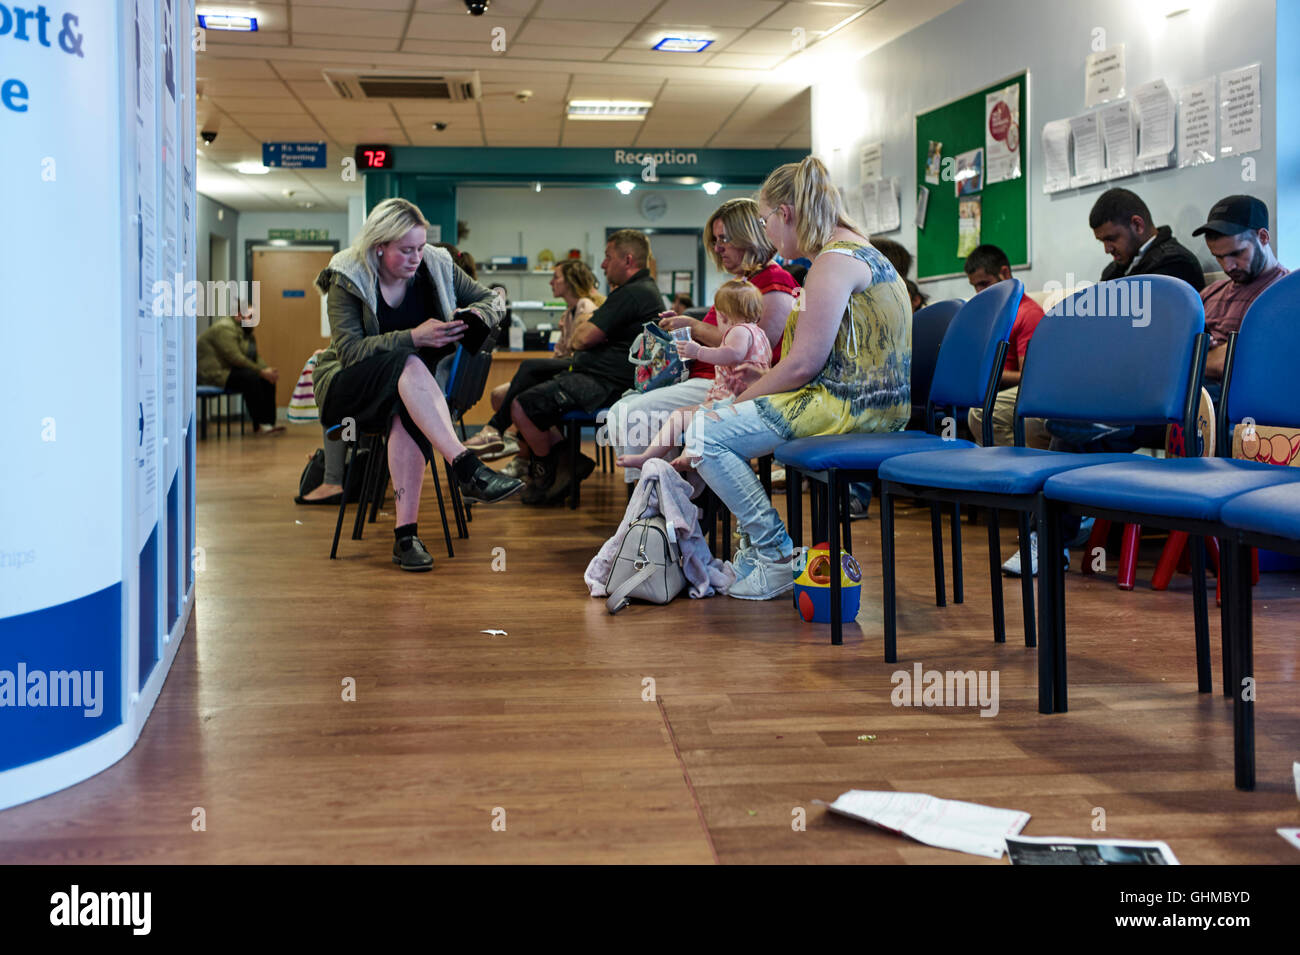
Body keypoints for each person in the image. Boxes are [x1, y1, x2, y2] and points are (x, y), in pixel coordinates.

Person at [686, 156, 911, 600]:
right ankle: (759, 550)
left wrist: (738, 400)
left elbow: (804, 365)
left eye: (765, 220)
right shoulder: (855, 253)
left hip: (848, 407)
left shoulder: (833, 262)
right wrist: (756, 385)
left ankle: (774, 556)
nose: (766, 232)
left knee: (705, 433)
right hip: (868, 403)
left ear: (785, 214)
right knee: (711, 425)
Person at [312, 197, 523, 571]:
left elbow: (495, 299)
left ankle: (405, 536)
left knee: (402, 409)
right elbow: (349, 352)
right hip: (348, 388)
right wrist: (413, 337)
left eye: (421, 247)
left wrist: (476, 313)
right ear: (379, 248)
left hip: (409, 394)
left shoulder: (437, 264)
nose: (416, 257)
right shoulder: (347, 275)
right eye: (406, 250)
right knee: (406, 361)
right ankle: (464, 466)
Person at [608, 199, 797, 482]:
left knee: (635, 414)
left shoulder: (773, 283)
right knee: (622, 411)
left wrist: (693, 327)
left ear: (748, 236)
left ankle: (660, 502)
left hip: (729, 386)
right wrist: (684, 329)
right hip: (710, 380)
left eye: (725, 239)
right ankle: (660, 497)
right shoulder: (745, 283)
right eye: (716, 240)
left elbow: (753, 349)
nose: (718, 248)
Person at [512, 230, 663, 505]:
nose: (603, 264)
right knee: (527, 384)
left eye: (608, 257)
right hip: (602, 378)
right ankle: (567, 464)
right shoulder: (635, 292)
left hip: (607, 384)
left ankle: (555, 471)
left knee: (523, 404)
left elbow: (580, 339)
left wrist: (588, 328)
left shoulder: (631, 294)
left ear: (627, 260)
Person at [466, 260, 605, 478]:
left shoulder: (586, 308)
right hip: (566, 375)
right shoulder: (569, 312)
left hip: (576, 381)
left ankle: (524, 451)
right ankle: (546, 456)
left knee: (512, 396)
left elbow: (576, 354)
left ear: (570, 281)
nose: (551, 282)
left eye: (556, 277)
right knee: (499, 395)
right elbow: (561, 354)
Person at [616, 279, 770, 470]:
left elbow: (733, 355)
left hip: (734, 401)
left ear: (722, 316)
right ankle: (685, 464)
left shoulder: (738, 330)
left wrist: (698, 352)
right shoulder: (759, 334)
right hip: (742, 401)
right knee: (687, 417)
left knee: (680, 416)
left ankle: (652, 457)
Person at [1191, 195, 1289, 403]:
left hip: (1239, 407)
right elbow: (1172, 357)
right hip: (1193, 401)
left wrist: (1197, 356)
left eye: (1236, 253)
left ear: (1263, 237)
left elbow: (1242, 364)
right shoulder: (1208, 294)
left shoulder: (1286, 294)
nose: (1228, 267)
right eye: (1218, 257)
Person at [963, 244, 1047, 448]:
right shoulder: (988, 316)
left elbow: (1029, 377)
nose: (980, 292)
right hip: (986, 390)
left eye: (985, 283)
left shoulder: (1028, 314)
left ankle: (1022, 465)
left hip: (1016, 390)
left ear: (1005, 273)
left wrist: (989, 374)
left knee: (981, 414)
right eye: (976, 286)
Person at [1090, 188, 1205, 290]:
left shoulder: (1176, 264)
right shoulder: (1114, 269)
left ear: (1137, 225)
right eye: (1102, 242)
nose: (1107, 249)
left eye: (1111, 238)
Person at [196, 301, 285, 434]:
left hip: (228, 372)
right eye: (250, 317)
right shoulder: (224, 328)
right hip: (212, 374)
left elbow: (254, 357)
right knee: (251, 377)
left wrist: (267, 371)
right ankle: (260, 424)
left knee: (265, 379)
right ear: (238, 315)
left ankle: (268, 424)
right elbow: (235, 357)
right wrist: (261, 372)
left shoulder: (246, 333)